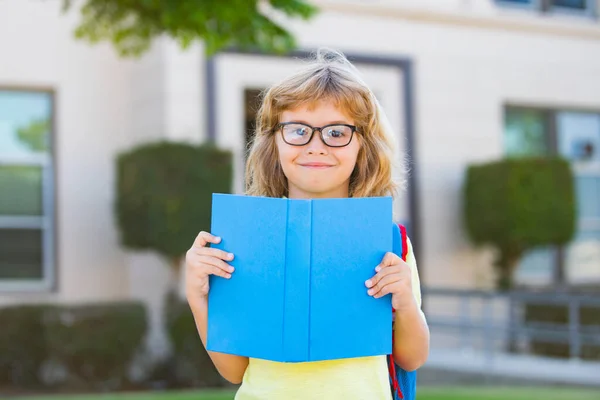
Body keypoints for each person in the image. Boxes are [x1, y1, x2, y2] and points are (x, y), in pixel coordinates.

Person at [184, 48, 430, 400]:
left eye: (336, 132)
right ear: (275, 142)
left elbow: (413, 357)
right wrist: (198, 297)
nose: (316, 146)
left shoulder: (388, 239)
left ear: (362, 145)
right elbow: (234, 369)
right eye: (298, 130)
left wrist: (405, 303)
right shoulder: (245, 238)